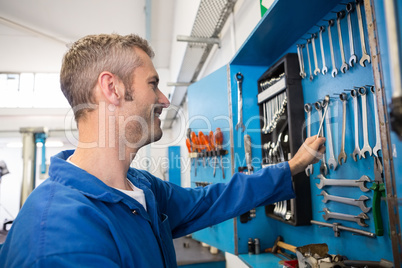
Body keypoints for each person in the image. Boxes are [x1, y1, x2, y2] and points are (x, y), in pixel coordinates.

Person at [0, 34, 326, 267]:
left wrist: (291, 166)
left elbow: (210, 201)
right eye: (152, 84)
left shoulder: (140, 187)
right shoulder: (58, 238)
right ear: (112, 88)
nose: (165, 100)